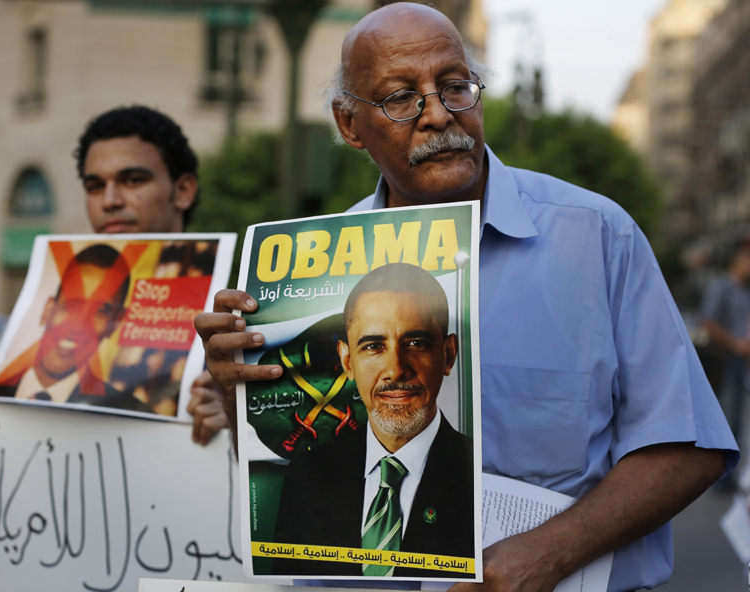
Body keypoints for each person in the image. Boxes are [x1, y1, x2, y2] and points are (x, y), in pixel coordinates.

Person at [194, 4, 738, 591]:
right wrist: (238, 396)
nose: (436, 114)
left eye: (454, 86)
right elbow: (284, 477)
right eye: (400, 97)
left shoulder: (595, 236)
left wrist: (550, 553)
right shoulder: (311, 278)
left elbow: (689, 443)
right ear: (349, 126)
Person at [0, 105, 226, 441]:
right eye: (94, 186)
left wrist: (239, 418)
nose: (110, 200)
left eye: (133, 180)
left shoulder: (234, 320)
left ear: (183, 190)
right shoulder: (22, 348)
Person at [274, 264, 475, 578]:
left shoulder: (480, 473)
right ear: (347, 361)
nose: (395, 369)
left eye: (416, 343)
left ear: (448, 355)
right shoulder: (308, 475)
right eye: (373, 347)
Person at [0, 244, 151, 411]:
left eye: (101, 311)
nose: (79, 325)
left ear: (116, 323)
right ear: (48, 309)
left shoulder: (128, 412)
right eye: (72, 304)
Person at [700, 237, 750, 444]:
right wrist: (735, 344)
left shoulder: (744, 292)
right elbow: (707, 321)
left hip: (742, 362)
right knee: (726, 417)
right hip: (725, 361)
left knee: (738, 419)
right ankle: (721, 472)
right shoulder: (721, 286)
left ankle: (731, 471)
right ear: (737, 261)